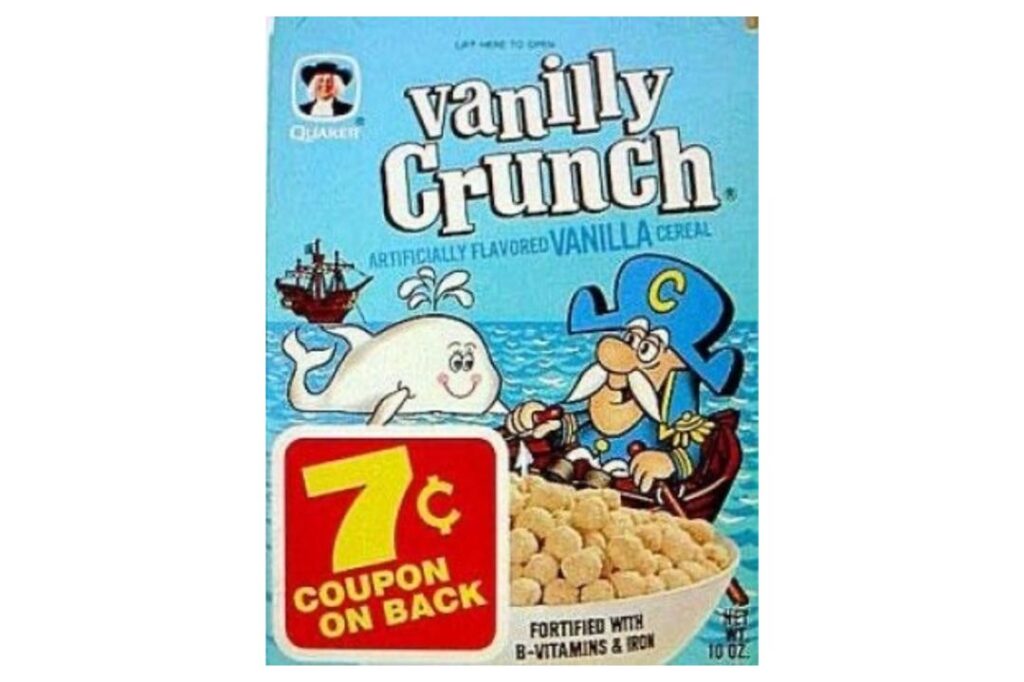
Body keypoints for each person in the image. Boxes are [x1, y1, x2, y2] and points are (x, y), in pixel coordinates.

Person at [505, 254, 743, 492]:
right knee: (555, 474)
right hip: (577, 461)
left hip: (621, 477)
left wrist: (669, 462)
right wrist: (545, 421)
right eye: (630, 337)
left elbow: (690, 449)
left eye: (646, 349)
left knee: (596, 489)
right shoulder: (604, 405)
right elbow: (580, 422)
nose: (616, 357)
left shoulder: (670, 414)